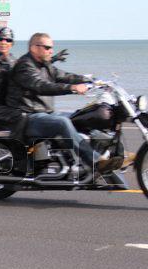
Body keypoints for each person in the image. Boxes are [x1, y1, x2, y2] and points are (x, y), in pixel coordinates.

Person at [6, 32, 113, 172]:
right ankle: (95, 161)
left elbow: (64, 76)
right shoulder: (24, 66)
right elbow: (41, 86)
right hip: (27, 116)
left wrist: (91, 80)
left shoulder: (44, 65)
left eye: (51, 47)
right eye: (47, 47)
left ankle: (79, 158)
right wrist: (72, 88)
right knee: (62, 122)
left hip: (45, 113)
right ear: (34, 48)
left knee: (80, 117)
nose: (51, 51)